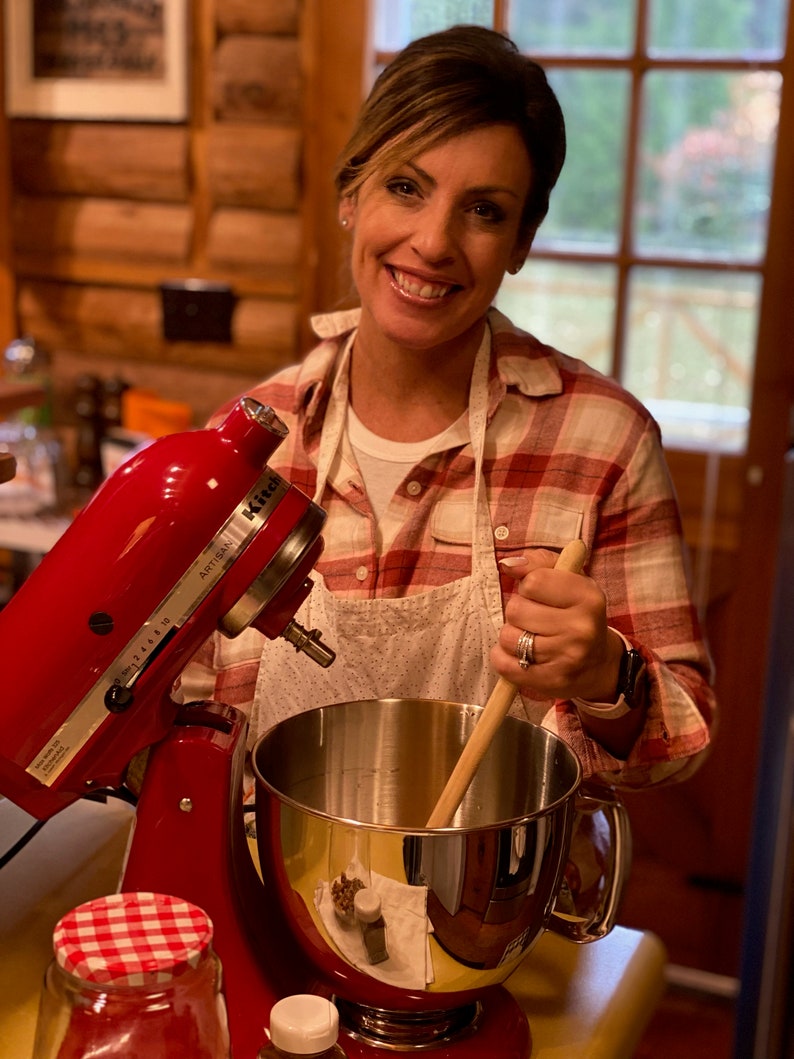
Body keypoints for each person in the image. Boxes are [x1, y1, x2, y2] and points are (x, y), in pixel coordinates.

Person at [176, 24, 716, 791]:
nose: (433, 243)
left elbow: (681, 736)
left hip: (491, 898)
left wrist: (605, 674)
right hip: (273, 887)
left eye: (484, 211)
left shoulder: (601, 441)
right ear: (350, 195)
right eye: (406, 187)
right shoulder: (253, 448)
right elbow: (183, 712)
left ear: (521, 241)